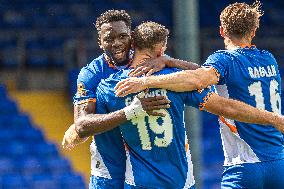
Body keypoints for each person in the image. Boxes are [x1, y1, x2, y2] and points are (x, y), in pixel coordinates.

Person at [71, 21, 284, 189]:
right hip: (182, 182)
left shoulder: (109, 87)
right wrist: (273, 119)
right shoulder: (178, 82)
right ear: (162, 48)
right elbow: (224, 105)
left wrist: (77, 129)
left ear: (132, 44)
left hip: (137, 181)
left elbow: (85, 125)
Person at [62, 9, 200, 189]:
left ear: (132, 37)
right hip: (109, 168)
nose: (117, 43)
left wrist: (169, 61)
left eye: (122, 36)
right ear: (100, 42)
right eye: (109, 39)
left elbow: (203, 76)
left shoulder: (149, 63)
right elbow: (81, 125)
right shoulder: (92, 74)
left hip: (144, 170)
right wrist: (131, 111)